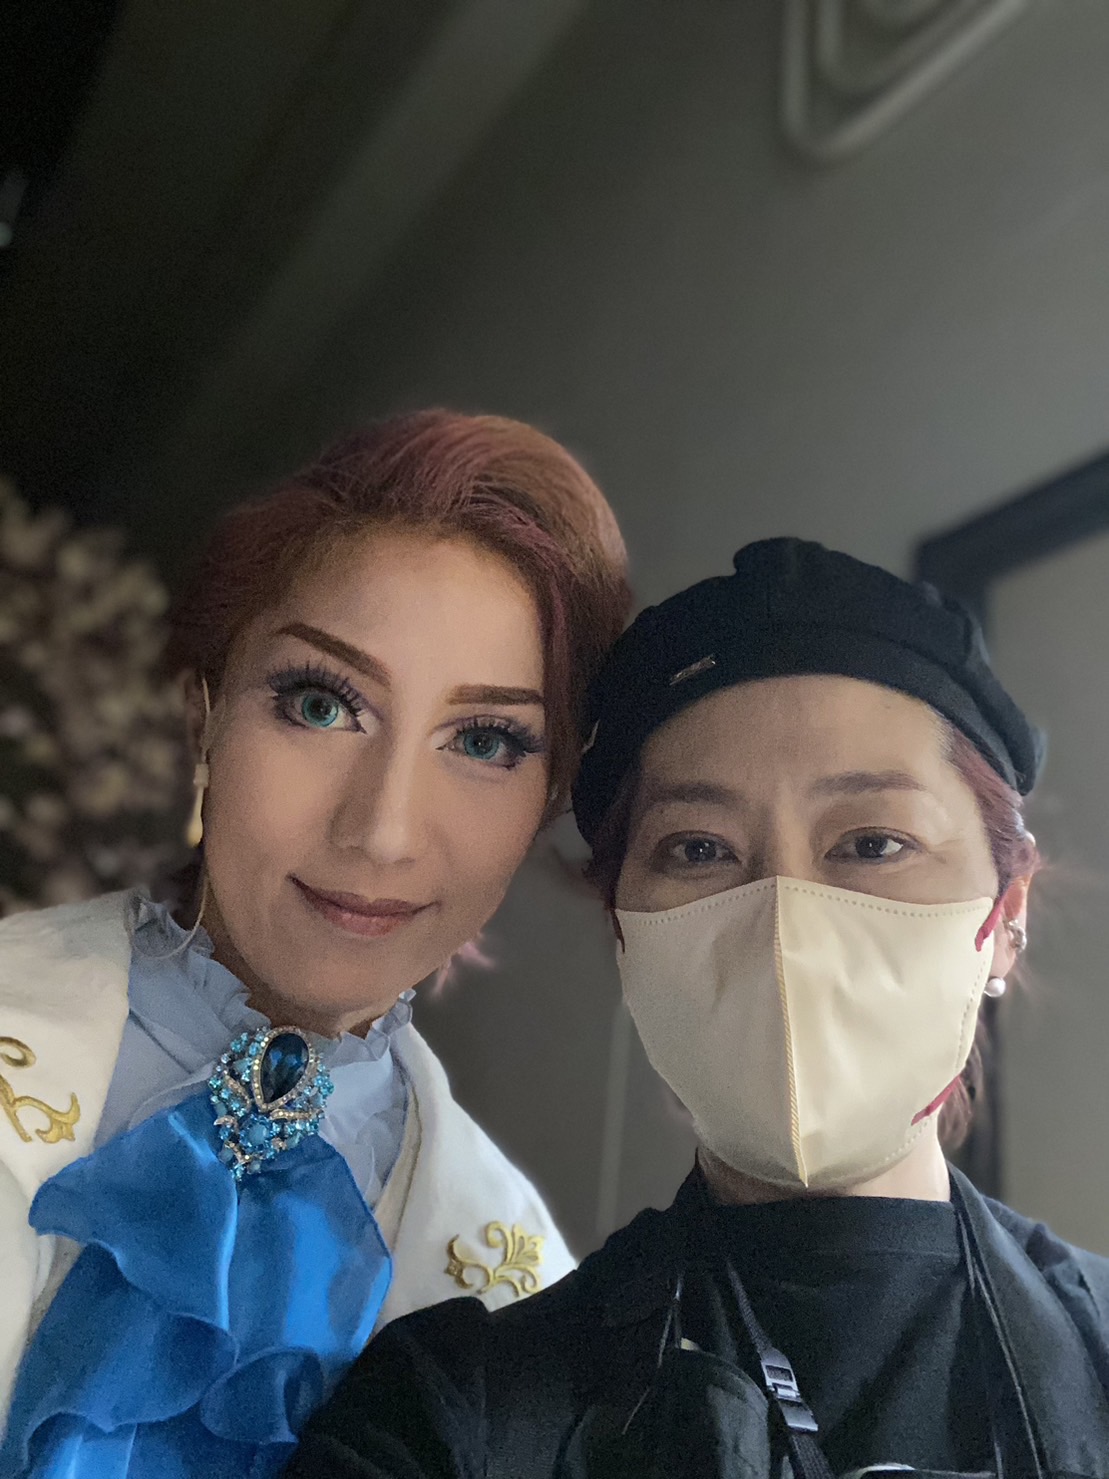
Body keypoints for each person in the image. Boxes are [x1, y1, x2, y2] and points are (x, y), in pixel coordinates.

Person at [286, 538, 1109, 1479]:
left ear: (1006, 916)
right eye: (698, 849)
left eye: (873, 842)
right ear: (624, 931)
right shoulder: (453, 1412)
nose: (783, 924)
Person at [0, 410, 631, 1479]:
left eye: (485, 741)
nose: (381, 831)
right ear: (201, 717)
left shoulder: (524, 1296)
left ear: (548, 800)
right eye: (320, 703)